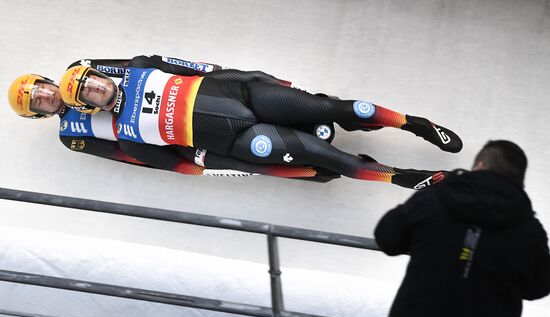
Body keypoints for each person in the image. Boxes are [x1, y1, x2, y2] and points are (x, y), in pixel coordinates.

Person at [58, 55, 463, 189]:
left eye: (92, 81)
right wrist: (228, 169)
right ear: (88, 106)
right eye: (87, 94)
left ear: (99, 74)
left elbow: (197, 66)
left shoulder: (140, 67)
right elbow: (179, 164)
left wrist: (260, 79)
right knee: (338, 160)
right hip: (241, 136)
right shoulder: (128, 139)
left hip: (243, 95)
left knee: (340, 109)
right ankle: (407, 177)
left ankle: (414, 123)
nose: (94, 89)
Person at [7, 56, 338, 181]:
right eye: (38, 102)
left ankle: (319, 105)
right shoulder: (70, 135)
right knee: (242, 161)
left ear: (45, 81)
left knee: (254, 82)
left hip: (178, 99)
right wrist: (172, 164)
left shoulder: (81, 70)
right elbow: (120, 154)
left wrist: (203, 70)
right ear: (39, 114)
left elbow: (143, 64)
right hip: (166, 139)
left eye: (41, 90)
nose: (47, 97)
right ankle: (313, 169)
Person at [374, 140, 550, 317]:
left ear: (480, 165)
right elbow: (539, 287)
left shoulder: (432, 199)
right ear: (519, 180)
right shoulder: (529, 231)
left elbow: (387, 237)